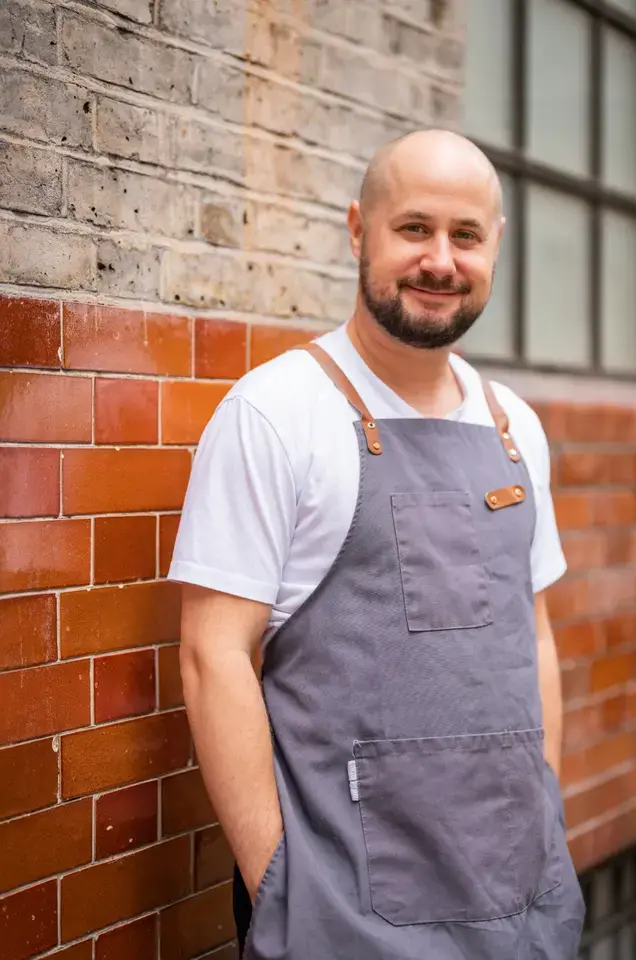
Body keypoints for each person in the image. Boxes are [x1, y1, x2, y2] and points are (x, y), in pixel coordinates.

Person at [170, 128, 586, 960]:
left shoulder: (514, 429)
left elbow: (531, 634)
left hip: (522, 910)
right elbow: (211, 654)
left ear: (494, 245)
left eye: (465, 236)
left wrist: (548, 822)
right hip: (339, 921)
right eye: (414, 229)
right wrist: (281, 890)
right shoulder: (276, 413)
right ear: (359, 229)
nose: (440, 260)